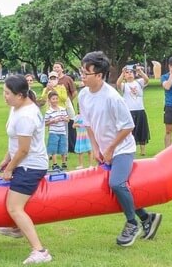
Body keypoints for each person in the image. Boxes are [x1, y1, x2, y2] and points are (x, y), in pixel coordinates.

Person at [78, 51, 162, 247]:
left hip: (122, 148)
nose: (82, 76)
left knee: (116, 183)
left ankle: (132, 223)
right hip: (104, 149)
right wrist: (96, 148)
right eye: (81, 71)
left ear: (99, 75)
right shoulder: (83, 95)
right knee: (115, 188)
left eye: (85, 73)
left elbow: (128, 127)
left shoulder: (112, 97)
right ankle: (146, 217)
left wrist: (110, 149)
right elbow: (88, 124)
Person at [0, 75, 53, 265]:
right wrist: (6, 159)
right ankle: (17, 227)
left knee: (14, 207)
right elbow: (15, 142)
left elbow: (23, 149)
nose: (4, 97)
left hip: (31, 166)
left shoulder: (27, 115)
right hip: (23, 162)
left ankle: (40, 251)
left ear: (20, 95)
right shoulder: (16, 108)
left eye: (7, 93)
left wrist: (10, 169)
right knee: (13, 204)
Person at [116, 65, 150, 156]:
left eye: (131, 72)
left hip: (140, 110)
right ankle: (131, 149)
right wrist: (122, 73)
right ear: (125, 76)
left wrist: (140, 72)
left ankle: (143, 150)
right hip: (129, 111)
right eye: (127, 73)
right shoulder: (125, 85)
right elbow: (118, 84)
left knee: (142, 130)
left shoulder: (139, 82)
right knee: (131, 132)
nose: (129, 74)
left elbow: (146, 80)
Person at [44, 91, 69, 171]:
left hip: (62, 131)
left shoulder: (62, 109)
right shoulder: (49, 112)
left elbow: (68, 119)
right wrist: (53, 121)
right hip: (53, 132)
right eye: (53, 99)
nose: (55, 100)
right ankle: (55, 164)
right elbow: (45, 123)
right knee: (53, 148)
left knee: (63, 147)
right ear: (49, 100)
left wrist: (65, 118)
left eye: (56, 99)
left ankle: (64, 163)